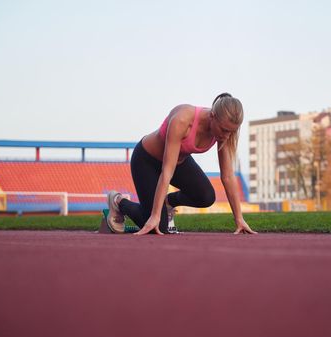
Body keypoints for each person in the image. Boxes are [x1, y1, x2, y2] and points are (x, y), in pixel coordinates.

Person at [106, 93, 257, 236]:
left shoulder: (225, 133)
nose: (226, 136)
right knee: (159, 226)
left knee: (206, 196)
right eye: (224, 130)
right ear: (213, 115)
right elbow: (166, 171)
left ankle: (168, 202)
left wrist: (239, 219)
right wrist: (155, 215)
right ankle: (118, 201)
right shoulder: (183, 120)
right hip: (147, 160)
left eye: (231, 132)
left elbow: (228, 176)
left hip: (178, 162)